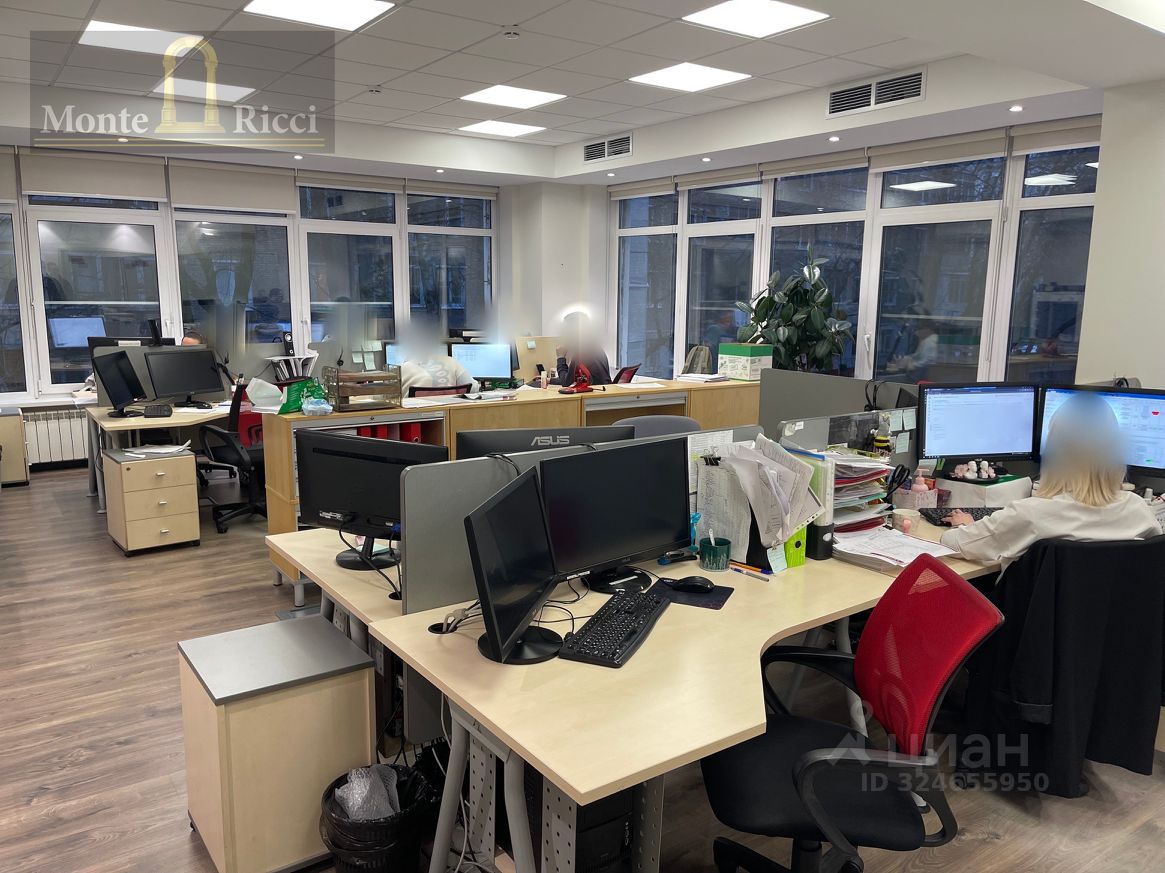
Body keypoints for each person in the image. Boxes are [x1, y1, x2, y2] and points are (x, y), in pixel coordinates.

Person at [939, 393, 1162, 570]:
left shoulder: (1032, 514)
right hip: (1111, 615)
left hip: (1023, 615)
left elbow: (952, 543)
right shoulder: (1138, 510)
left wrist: (965, 525)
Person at [551, 313, 612, 386]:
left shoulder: (582, 351)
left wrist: (560, 358)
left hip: (595, 392)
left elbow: (566, 382)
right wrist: (550, 380)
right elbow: (572, 379)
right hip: (603, 390)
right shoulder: (594, 346)